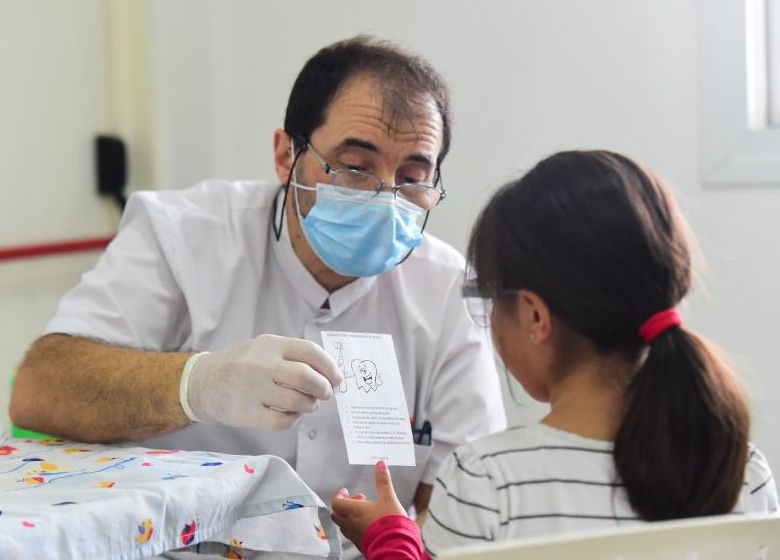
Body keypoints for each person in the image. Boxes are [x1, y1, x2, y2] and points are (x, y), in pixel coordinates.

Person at [9, 36, 507, 556]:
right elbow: (43, 388)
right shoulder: (183, 236)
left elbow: (466, 503)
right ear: (285, 154)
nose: (385, 198)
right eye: (355, 167)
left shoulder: (447, 291)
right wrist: (198, 384)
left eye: (411, 179)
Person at [330, 150, 779, 558]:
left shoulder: (486, 479)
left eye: (488, 299)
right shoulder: (740, 469)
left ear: (533, 316)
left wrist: (390, 538)